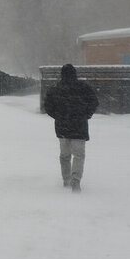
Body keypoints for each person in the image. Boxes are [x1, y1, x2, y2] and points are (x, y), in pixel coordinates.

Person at [43, 63, 99, 192]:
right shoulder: (83, 87)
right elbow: (94, 102)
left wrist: (57, 116)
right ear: (75, 74)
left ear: (62, 74)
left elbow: (48, 106)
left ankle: (66, 179)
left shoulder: (56, 89)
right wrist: (86, 114)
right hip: (79, 126)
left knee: (65, 155)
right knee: (79, 155)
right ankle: (76, 180)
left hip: (62, 127)